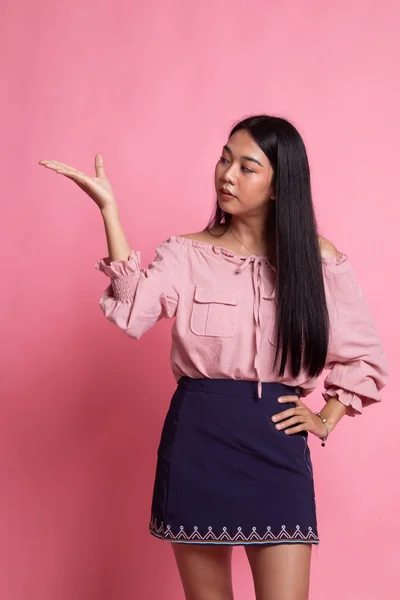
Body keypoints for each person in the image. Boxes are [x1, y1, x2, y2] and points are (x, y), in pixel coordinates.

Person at [39, 114, 388, 600]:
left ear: (276, 186)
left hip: (276, 446)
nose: (227, 174)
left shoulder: (318, 261)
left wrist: (327, 418)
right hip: (198, 441)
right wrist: (110, 213)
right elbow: (135, 310)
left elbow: (363, 357)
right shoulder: (186, 254)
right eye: (225, 158)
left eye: (247, 166)